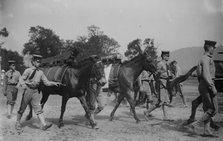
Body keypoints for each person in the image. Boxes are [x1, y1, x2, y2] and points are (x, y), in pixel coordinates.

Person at [15, 54, 61, 130]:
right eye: (37, 61)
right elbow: (21, 79)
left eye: (39, 61)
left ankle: (44, 125)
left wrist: (54, 83)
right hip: (28, 91)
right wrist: (24, 86)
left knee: (38, 108)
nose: (38, 62)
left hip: (36, 92)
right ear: (33, 62)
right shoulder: (28, 70)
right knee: (22, 108)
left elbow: (46, 82)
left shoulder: (41, 72)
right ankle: (17, 122)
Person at [188, 40, 218, 137]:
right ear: (209, 47)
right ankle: (194, 124)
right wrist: (212, 86)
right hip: (207, 84)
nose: (214, 49)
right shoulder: (205, 58)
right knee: (212, 109)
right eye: (213, 47)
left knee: (209, 109)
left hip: (205, 84)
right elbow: (206, 74)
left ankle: (207, 130)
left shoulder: (206, 58)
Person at [144, 51, 173, 121]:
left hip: (166, 82)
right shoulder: (160, 64)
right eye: (167, 56)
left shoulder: (166, 64)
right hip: (161, 83)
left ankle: (166, 117)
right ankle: (147, 112)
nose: (168, 57)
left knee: (166, 101)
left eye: (168, 56)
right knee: (160, 102)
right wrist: (159, 80)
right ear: (163, 56)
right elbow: (155, 73)